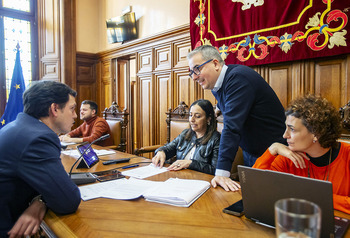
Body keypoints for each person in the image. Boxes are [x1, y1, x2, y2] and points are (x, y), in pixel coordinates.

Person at [187, 45, 286, 191]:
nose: (194, 77)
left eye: (197, 69)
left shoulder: (238, 78)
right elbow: (227, 100)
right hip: (252, 151)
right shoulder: (217, 84)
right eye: (191, 72)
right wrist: (218, 109)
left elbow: (231, 128)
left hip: (273, 153)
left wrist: (221, 173)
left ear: (215, 63)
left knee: (267, 202)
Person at [0, 81, 81, 237]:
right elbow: (68, 201)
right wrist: (42, 201)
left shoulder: (19, 127)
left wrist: (39, 201)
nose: (75, 115)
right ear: (55, 109)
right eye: (72, 109)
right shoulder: (38, 138)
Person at [253, 95, 350, 214]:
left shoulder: (347, 155)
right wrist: (273, 149)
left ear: (316, 133)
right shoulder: (288, 157)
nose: (285, 135)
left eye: (292, 129)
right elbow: (255, 190)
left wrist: (311, 197)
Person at [152, 99, 220, 175]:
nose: (192, 120)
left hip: (201, 181)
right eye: (190, 115)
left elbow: (216, 170)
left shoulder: (216, 139)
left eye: (197, 116)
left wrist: (190, 163)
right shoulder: (186, 134)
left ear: (208, 119)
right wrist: (161, 151)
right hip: (179, 177)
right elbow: (169, 148)